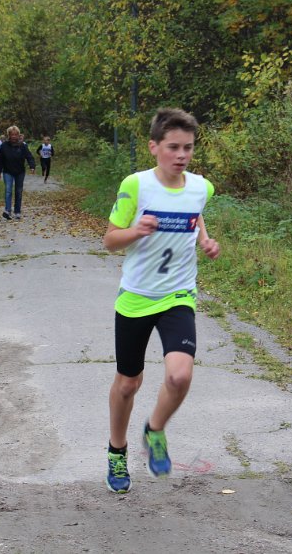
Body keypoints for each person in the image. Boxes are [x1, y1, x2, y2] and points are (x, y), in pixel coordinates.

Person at [102, 107, 221, 494]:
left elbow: (195, 215)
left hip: (178, 294)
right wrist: (136, 231)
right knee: (128, 383)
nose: (182, 155)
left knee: (179, 375)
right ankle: (116, 451)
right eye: (173, 147)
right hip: (136, 297)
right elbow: (109, 240)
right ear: (154, 147)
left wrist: (205, 239)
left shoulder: (201, 188)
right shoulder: (136, 186)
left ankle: (155, 430)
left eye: (188, 147)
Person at [0, 125, 36, 220]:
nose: (14, 136)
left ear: (18, 135)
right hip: (7, 171)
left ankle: (17, 212)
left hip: (20, 172)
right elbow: (0, 159)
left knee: (18, 191)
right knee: (8, 190)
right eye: (12, 134)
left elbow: (29, 156)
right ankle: (7, 211)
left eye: (15, 134)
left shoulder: (23, 146)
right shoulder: (4, 146)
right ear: (9, 135)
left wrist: (32, 166)